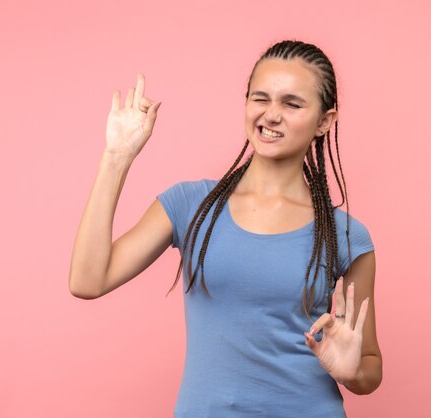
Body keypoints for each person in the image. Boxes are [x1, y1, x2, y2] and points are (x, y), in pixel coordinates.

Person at [69, 39, 382, 417]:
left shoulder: (346, 235)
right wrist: (116, 158)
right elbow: (88, 281)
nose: (270, 115)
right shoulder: (190, 205)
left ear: (324, 121)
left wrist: (351, 372)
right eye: (260, 98)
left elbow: (368, 368)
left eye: (292, 103)